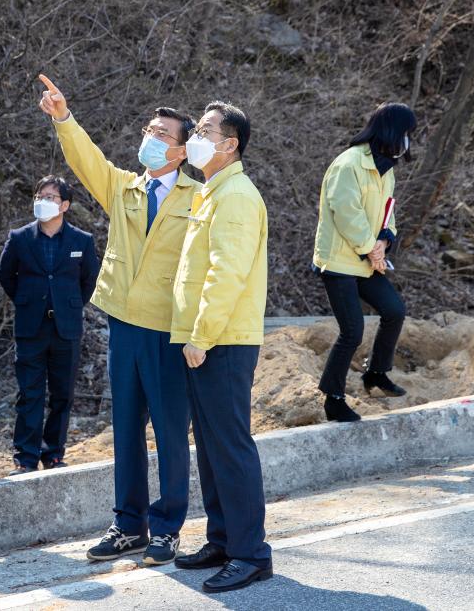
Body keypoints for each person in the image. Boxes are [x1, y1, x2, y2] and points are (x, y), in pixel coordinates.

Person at [38, 74, 199, 566]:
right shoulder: (126, 188)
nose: (151, 137)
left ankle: (167, 527)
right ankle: (129, 524)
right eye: (149, 129)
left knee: (170, 431)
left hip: (169, 327)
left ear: (182, 150)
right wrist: (64, 118)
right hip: (125, 323)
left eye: (162, 134)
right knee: (127, 428)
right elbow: (87, 161)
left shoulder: (199, 197)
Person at [170, 101, 273, 593]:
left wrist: (201, 337)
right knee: (211, 448)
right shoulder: (212, 191)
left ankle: (251, 554)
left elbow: (225, 274)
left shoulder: (236, 196)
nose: (195, 136)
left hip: (222, 340)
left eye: (206, 130)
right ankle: (224, 540)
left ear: (230, 145)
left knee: (230, 446)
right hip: (207, 337)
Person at [312, 103, 416, 422]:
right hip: (338, 263)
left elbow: (388, 213)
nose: (408, 140)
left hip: (366, 260)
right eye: (407, 133)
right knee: (352, 331)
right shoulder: (349, 164)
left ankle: (376, 373)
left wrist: (384, 241)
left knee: (394, 310)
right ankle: (333, 399)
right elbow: (347, 213)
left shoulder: (386, 170)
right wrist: (372, 249)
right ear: (391, 131)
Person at [0, 175, 100, 475]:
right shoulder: (20, 238)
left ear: (65, 205)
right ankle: (25, 456)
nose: (43, 202)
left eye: (51, 197)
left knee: (62, 394)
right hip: (30, 327)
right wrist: (27, 302)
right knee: (29, 393)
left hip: (66, 328)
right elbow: (6, 276)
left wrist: (69, 305)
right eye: (39, 196)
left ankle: (54, 452)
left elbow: (89, 281)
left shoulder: (82, 240)